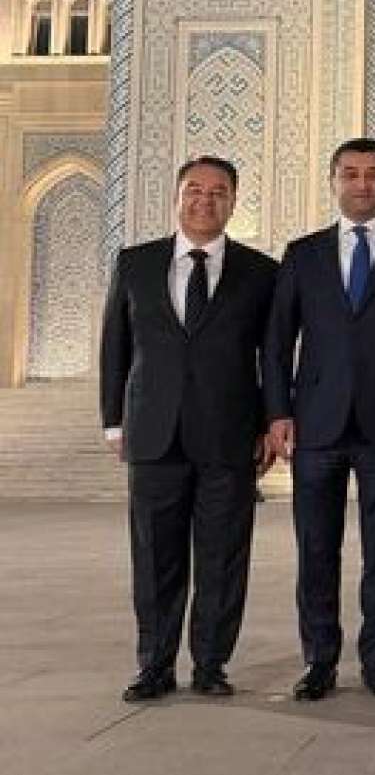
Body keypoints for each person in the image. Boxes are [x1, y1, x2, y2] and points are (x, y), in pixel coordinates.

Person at [265, 138, 375, 701]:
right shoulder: (303, 255)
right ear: (334, 181)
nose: (362, 184)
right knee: (316, 549)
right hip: (316, 424)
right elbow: (277, 343)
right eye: (351, 174)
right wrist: (278, 412)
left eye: (373, 174)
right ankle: (319, 661)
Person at [99, 155, 278, 702]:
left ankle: (211, 665)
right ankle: (154, 665)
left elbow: (272, 357)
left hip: (229, 437)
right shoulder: (135, 263)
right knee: (155, 557)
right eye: (194, 190)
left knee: (223, 557)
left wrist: (271, 422)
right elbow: (115, 346)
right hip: (154, 434)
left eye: (218, 191)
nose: (205, 200)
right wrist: (113, 421)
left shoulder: (260, 272)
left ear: (233, 201)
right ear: (177, 197)